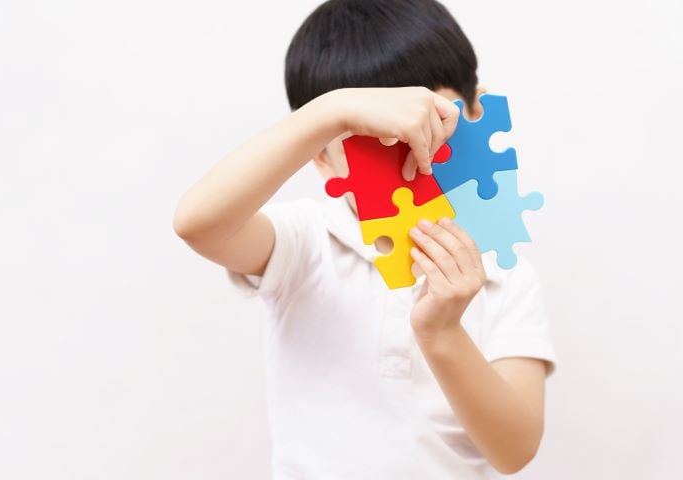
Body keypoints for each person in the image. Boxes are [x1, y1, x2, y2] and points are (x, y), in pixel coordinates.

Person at [172, 0, 556, 478]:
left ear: (476, 112)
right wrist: (333, 112)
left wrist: (442, 333)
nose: (410, 160)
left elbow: (514, 449)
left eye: (431, 128)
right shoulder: (304, 243)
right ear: (322, 159)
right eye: (369, 143)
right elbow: (198, 223)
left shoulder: (504, 270)